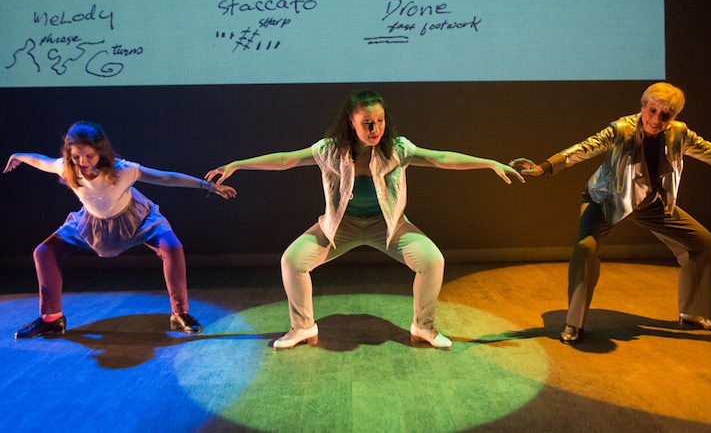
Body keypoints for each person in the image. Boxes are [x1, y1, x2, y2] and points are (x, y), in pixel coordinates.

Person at [206, 89, 524, 350]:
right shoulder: (330, 150)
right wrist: (238, 164)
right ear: (351, 122)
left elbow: (441, 159)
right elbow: (286, 160)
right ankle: (302, 327)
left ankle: (423, 326)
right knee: (292, 261)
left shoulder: (397, 149)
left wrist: (489, 163)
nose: (375, 129)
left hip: (388, 225)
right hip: (340, 227)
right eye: (367, 122)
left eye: (380, 121)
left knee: (432, 260)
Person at [510, 82, 711, 344]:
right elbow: (583, 149)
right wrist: (544, 167)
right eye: (653, 111)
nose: (657, 120)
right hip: (606, 201)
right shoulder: (621, 129)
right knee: (585, 249)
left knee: (701, 242)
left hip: (649, 203)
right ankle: (573, 323)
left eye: (666, 115)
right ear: (643, 107)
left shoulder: (679, 134)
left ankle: (695, 313)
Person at [4, 121, 238, 339]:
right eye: (76, 156)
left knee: (172, 248)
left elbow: (166, 178)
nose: (82, 162)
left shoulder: (123, 170)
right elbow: (41, 161)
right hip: (92, 223)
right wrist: (19, 157)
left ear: (101, 153)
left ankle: (180, 314)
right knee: (44, 252)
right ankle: (52, 318)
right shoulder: (66, 168)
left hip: (136, 219)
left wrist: (208, 186)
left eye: (89, 155)